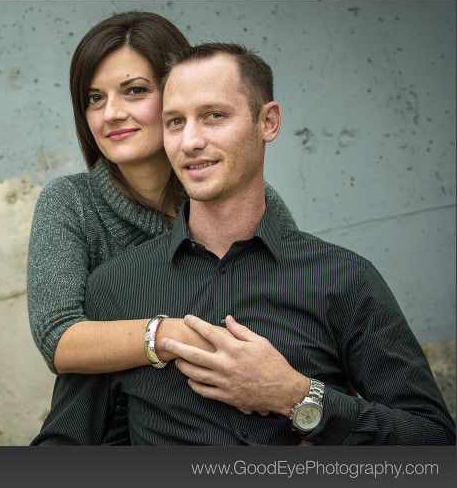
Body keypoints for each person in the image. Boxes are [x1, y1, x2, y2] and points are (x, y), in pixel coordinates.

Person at [82, 42, 456, 445]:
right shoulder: (114, 287)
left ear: (268, 122)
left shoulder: (345, 278)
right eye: (175, 122)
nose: (189, 141)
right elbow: (69, 443)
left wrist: (295, 396)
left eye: (213, 116)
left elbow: (435, 441)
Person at [27, 12, 297, 445]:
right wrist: (170, 334)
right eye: (94, 98)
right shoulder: (71, 203)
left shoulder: (248, 199)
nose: (112, 113)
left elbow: (297, 314)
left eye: (134, 91)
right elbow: (59, 339)